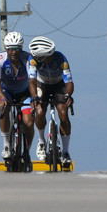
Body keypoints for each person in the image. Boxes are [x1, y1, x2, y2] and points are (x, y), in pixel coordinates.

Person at [27, 36, 75, 168]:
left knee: (63, 114)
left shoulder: (61, 59)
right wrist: (34, 97)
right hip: (41, 84)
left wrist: (68, 95)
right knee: (39, 111)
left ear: (45, 56)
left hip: (58, 85)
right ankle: (41, 141)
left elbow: (69, 82)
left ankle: (65, 152)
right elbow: (31, 80)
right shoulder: (32, 60)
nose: (34, 57)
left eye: (37, 56)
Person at [0, 31, 35, 162]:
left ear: (21, 48)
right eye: (10, 49)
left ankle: (27, 150)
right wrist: (3, 98)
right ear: (6, 48)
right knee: (3, 109)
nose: (13, 52)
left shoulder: (28, 59)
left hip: (24, 93)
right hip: (6, 92)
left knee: (29, 121)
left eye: (16, 49)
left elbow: (33, 80)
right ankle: (6, 144)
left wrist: (34, 98)